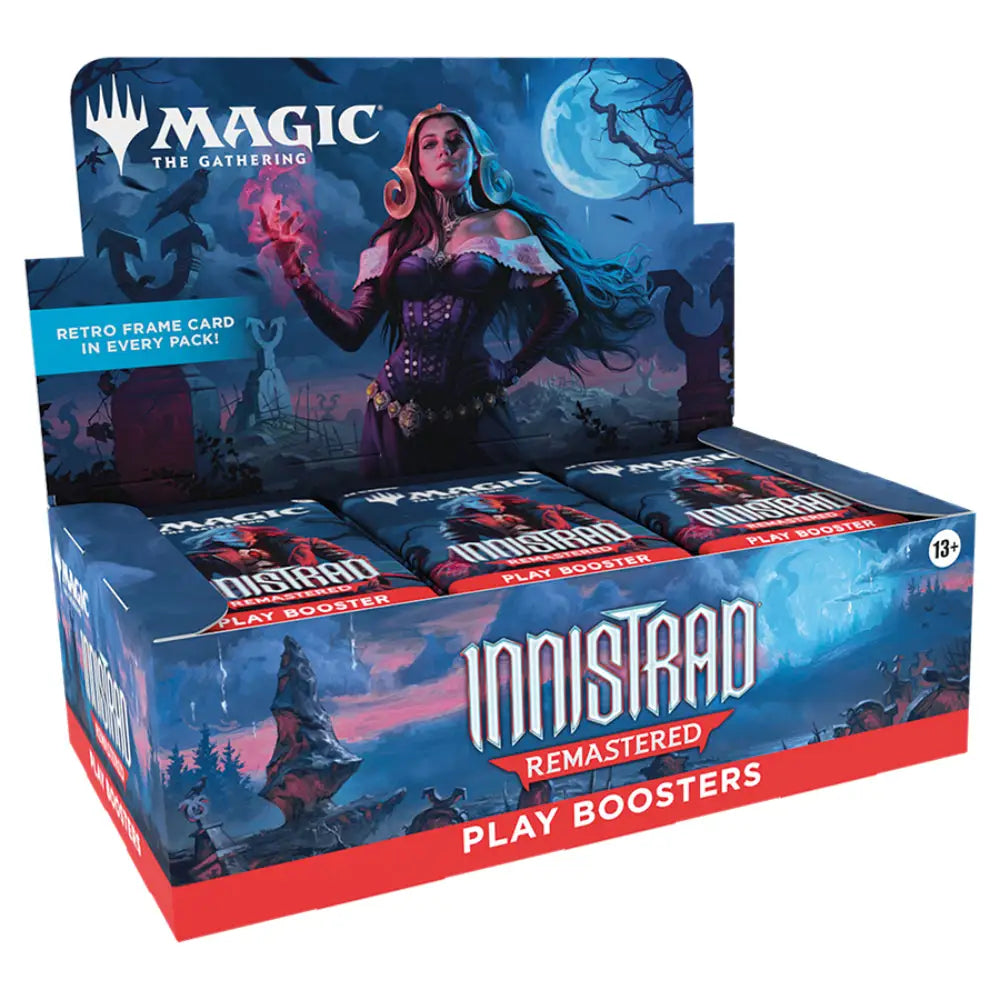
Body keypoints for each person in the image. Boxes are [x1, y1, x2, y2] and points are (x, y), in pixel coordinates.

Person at [258, 105, 652, 477]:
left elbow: (564, 309)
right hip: (393, 414)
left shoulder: (504, 225)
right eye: (429, 145)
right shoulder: (392, 240)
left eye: (455, 141)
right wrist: (295, 271)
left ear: (476, 157)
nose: (444, 151)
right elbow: (351, 333)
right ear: (416, 165)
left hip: (475, 412)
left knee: (497, 511)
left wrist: (512, 369)